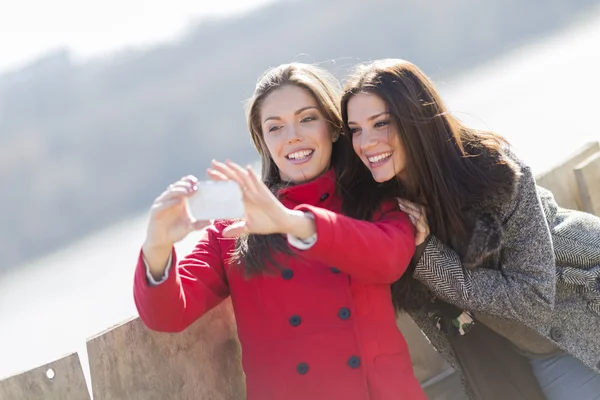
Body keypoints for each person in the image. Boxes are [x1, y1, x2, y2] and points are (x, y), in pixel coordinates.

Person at [133, 62, 427, 400]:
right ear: (263, 142)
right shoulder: (234, 230)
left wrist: (292, 222)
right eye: (275, 128)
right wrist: (156, 245)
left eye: (307, 119)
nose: (293, 137)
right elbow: (167, 315)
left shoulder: (374, 203)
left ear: (333, 128)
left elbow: (387, 260)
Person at [338, 58, 600, 400]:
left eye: (381, 123)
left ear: (415, 119)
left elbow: (533, 299)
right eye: (355, 129)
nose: (366, 142)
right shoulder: (387, 215)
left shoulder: (494, 174)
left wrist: (429, 254)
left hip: (585, 302)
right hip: (538, 353)